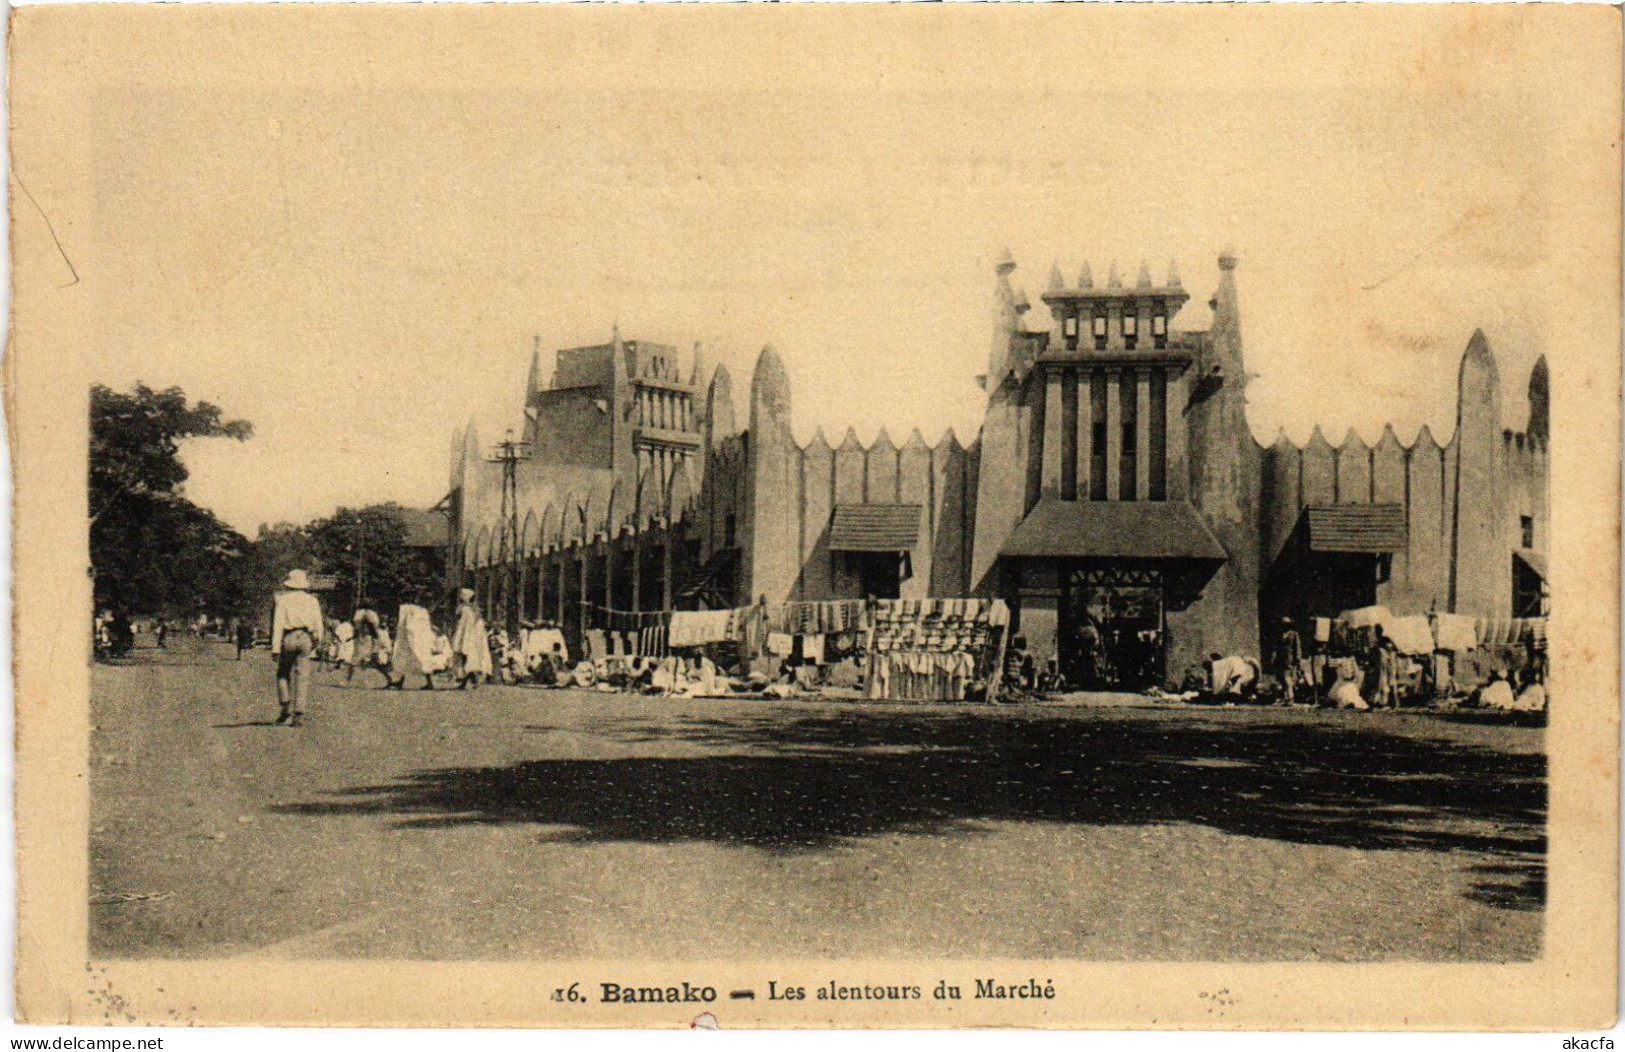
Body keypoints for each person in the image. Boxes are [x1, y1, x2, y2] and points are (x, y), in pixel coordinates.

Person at [270, 570, 325, 726]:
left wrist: (275, 648)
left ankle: (285, 705)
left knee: (283, 673)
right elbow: (318, 624)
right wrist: (318, 641)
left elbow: (278, 625)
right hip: (306, 637)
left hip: (289, 637)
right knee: (302, 676)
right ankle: (298, 714)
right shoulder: (312, 600)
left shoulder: (283, 600)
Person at [387, 603, 438, 690]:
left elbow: (412, 627)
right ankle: (399, 681)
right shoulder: (414, 610)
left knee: (419, 656)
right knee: (402, 656)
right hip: (407, 637)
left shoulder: (415, 610)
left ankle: (429, 682)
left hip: (414, 636)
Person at [451, 588, 492, 689]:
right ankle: (468, 680)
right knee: (465, 657)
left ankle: (471, 679)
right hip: (469, 636)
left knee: (466, 657)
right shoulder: (472, 608)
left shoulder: (466, 608)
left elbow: (462, 621)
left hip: (467, 636)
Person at [1275, 617, 1306, 705]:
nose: (1284, 626)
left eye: (1286, 625)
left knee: (1287, 678)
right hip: (1281, 659)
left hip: (1289, 659)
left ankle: (1291, 697)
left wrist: (1298, 659)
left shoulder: (1294, 634)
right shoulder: (1280, 634)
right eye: (1283, 625)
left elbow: (1297, 647)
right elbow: (1277, 647)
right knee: (1283, 680)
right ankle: (1286, 698)